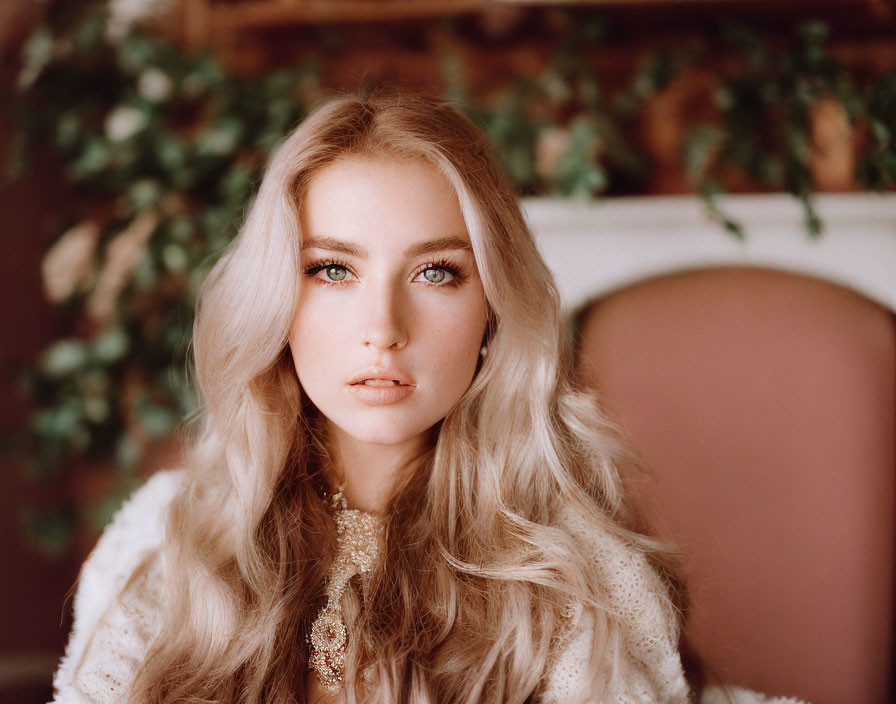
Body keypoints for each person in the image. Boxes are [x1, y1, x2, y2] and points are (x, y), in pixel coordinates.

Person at [51, 93, 806, 704]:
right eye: (333, 271)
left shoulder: (574, 576)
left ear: (493, 309)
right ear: (276, 301)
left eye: (436, 273)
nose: (382, 330)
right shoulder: (165, 540)